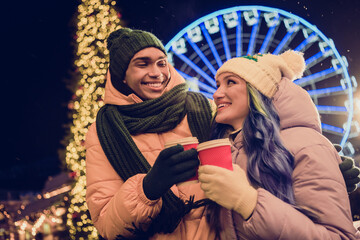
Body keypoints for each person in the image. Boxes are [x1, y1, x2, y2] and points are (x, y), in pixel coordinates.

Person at [197, 50, 359, 239]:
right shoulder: (224, 148)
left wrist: (249, 203)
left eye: (231, 82)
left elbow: (339, 236)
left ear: (258, 89)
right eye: (217, 85)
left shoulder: (307, 146)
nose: (216, 94)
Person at [85, 27, 216, 239]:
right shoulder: (103, 132)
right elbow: (107, 225)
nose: (156, 73)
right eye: (142, 64)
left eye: (162, 62)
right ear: (122, 76)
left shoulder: (203, 108)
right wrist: (147, 189)